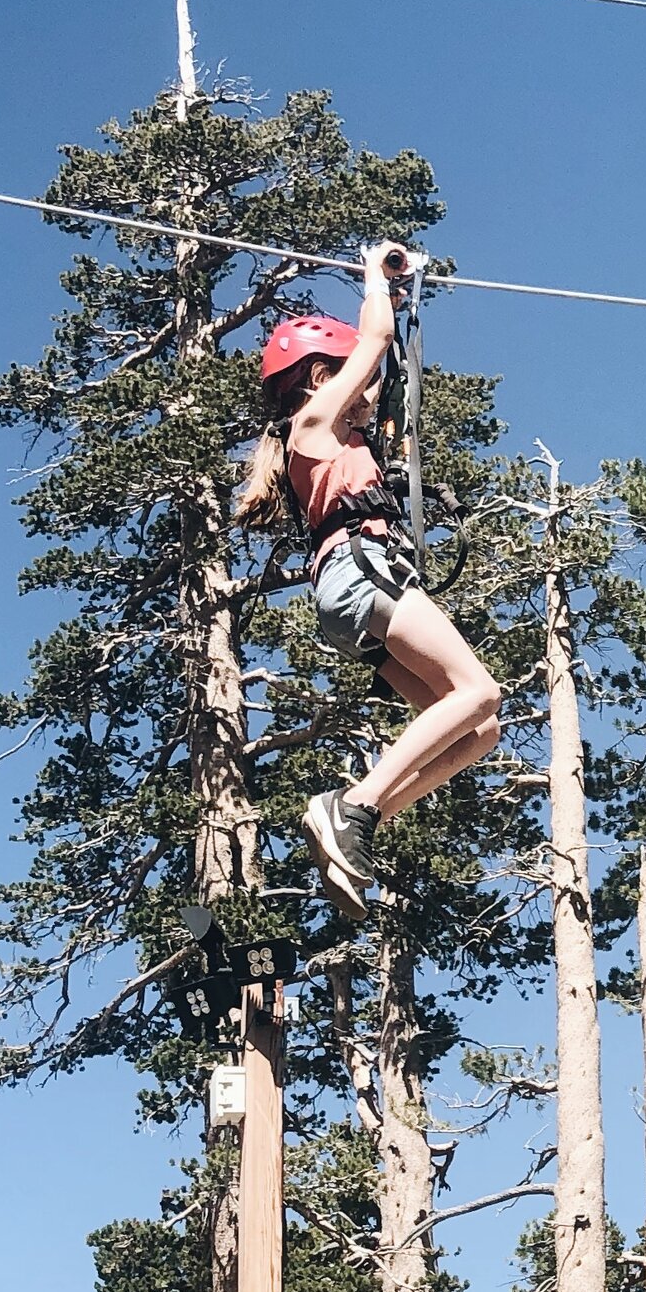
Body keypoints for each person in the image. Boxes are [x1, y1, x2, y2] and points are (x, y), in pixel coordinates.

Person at [239, 243, 504, 917]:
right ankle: (353, 804)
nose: (370, 386)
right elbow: (378, 339)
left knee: (480, 731)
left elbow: (383, 364)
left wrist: (399, 295)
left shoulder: (331, 438)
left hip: (352, 589)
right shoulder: (315, 421)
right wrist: (375, 273)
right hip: (362, 570)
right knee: (479, 689)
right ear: (323, 373)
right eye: (353, 372)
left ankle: (364, 815)